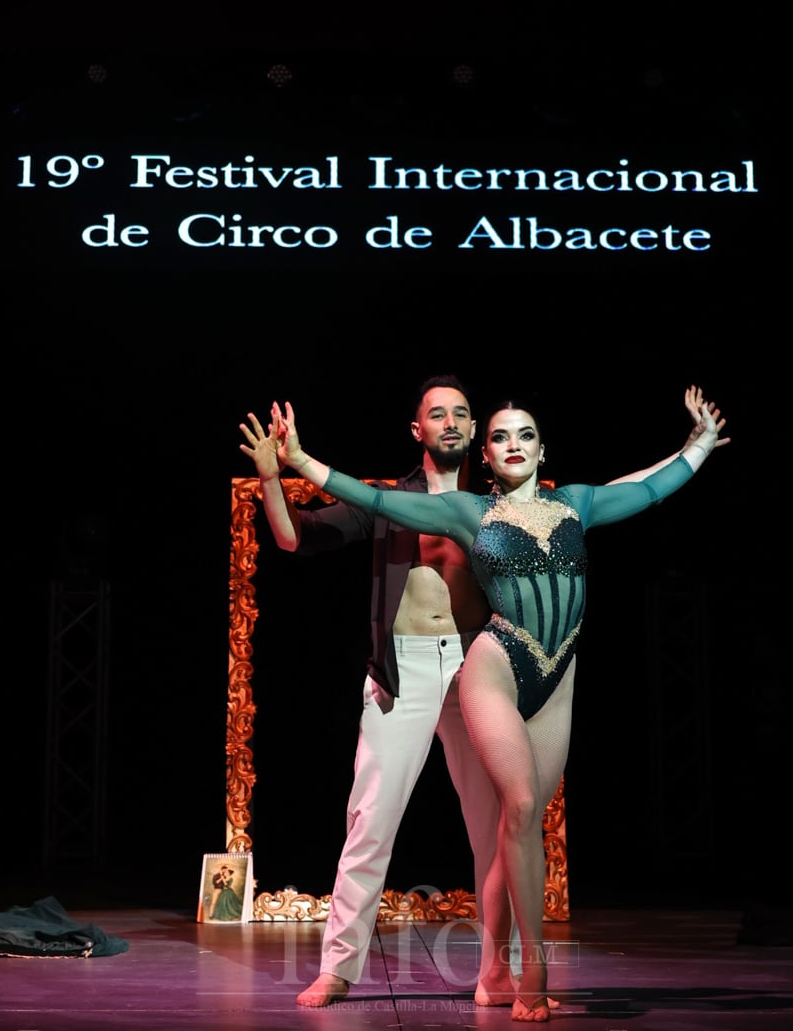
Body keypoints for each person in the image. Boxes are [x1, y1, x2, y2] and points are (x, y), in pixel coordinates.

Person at [239, 381, 727, 1010]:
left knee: (502, 823)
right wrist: (279, 473)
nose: (451, 422)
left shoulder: (508, 502)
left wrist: (694, 447)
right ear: (418, 429)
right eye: (437, 413)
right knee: (371, 820)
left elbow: (628, 489)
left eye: (463, 414)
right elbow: (297, 536)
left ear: (477, 435)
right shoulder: (400, 500)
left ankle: (504, 973)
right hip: (408, 668)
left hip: (481, 660)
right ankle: (338, 968)